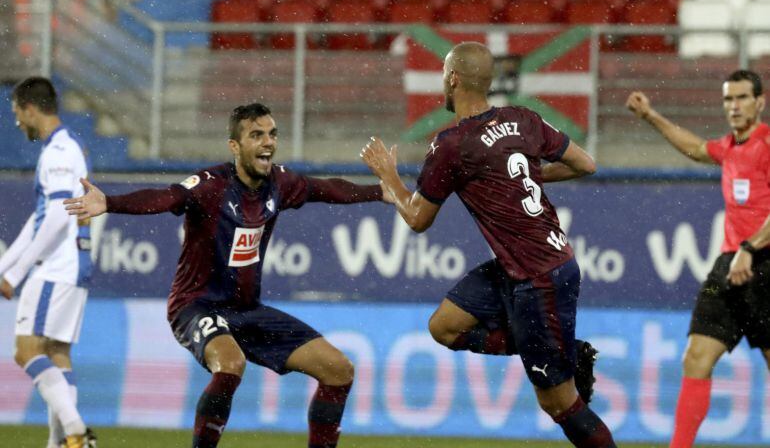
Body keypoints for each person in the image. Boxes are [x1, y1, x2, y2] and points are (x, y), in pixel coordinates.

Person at [64, 103, 388, 448]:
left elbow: (327, 189)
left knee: (338, 370)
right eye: (256, 135)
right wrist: (110, 203)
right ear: (234, 146)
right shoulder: (210, 185)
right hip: (195, 306)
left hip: (245, 310)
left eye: (272, 134)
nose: (267, 143)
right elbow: (166, 196)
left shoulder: (280, 183)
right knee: (230, 363)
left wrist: (380, 191)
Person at [361, 41, 616, 447]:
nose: (442, 83)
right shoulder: (524, 120)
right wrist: (520, 174)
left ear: (453, 79)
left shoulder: (452, 145)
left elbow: (417, 220)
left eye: (444, 75)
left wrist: (388, 176)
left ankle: (557, 353)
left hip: (539, 276)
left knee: (560, 405)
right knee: (444, 326)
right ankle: (560, 348)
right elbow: (585, 163)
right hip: (530, 263)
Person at [626, 70, 770, 448]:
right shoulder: (730, 148)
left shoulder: (768, 144)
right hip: (729, 264)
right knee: (696, 357)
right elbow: (694, 146)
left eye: (741, 98)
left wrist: (750, 248)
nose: (734, 106)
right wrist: (650, 116)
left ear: (760, 101)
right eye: (728, 99)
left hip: (765, 262)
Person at [0, 77, 96, 448]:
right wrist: (6, 267)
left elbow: (56, 216)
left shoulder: (58, 152)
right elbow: (41, 217)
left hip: (59, 264)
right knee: (57, 355)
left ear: (30, 108)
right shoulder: (71, 147)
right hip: (77, 261)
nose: (16, 122)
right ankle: (59, 444)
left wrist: (18, 274)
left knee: (27, 351)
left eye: (16, 113)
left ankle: (75, 433)